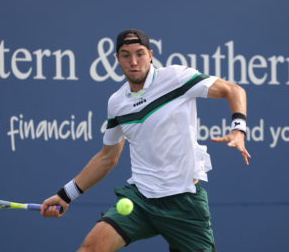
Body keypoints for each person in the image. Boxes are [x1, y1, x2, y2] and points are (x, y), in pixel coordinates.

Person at [41, 29, 251, 252]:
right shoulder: (117, 103)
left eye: (139, 54)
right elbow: (107, 158)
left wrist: (239, 129)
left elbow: (232, 89)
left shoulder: (176, 78)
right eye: (125, 55)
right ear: (116, 59)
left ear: (150, 55)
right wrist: (65, 195)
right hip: (139, 201)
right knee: (91, 248)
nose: (133, 62)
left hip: (185, 203)